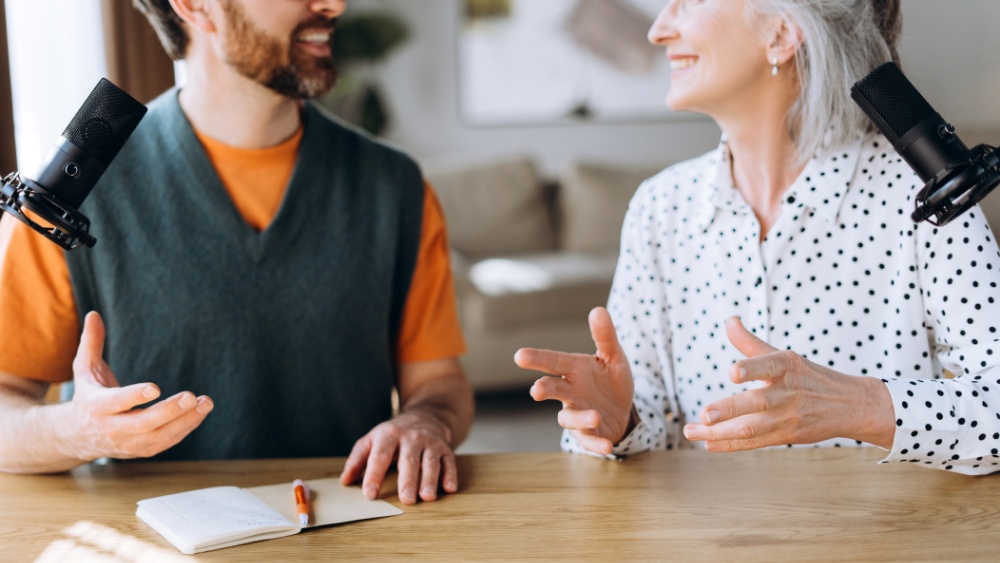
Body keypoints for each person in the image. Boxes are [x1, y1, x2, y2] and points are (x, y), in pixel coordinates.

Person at [0, 0, 474, 505]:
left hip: (350, 523)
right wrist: (76, 433)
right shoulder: (68, 198)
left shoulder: (395, 186)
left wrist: (427, 420)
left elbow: (439, 383)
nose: (334, 4)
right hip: (148, 536)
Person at [515, 0, 1000, 474]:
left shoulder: (925, 198)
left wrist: (858, 406)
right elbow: (648, 416)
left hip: (891, 527)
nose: (657, 28)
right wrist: (620, 422)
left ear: (781, 34)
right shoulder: (660, 208)